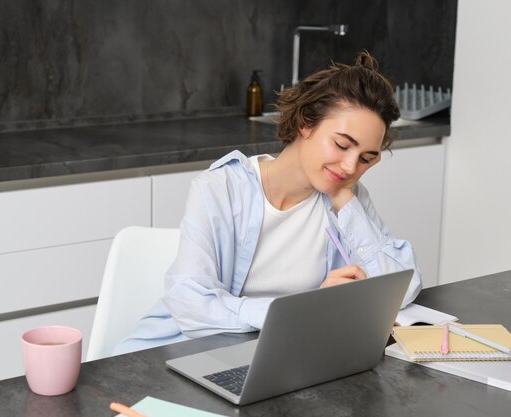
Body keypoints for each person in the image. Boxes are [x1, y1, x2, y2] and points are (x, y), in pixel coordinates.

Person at [114, 51, 422, 354]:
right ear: (306, 123)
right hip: (183, 354)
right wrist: (304, 310)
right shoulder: (222, 188)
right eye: (342, 145)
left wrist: (343, 197)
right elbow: (192, 304)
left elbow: (403, 287)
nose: (350, 167)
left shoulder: (348, 198)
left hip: (280, 356)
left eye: (367, 158)